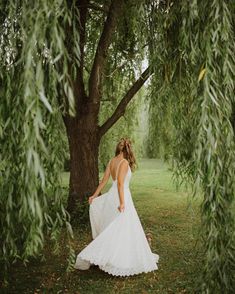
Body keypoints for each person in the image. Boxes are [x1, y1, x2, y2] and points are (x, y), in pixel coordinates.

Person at [74, 138, 159, 276]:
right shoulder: (124, 162)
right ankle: (118, 259)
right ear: (128, 150)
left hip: (111, 196)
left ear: (118, 149)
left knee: (113, 226)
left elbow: (104, 180)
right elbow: (120, 183)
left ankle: (109, 255)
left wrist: (94, 195)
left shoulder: (112, 161)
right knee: (121, 227)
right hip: (121, 195)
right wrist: (122, 202)